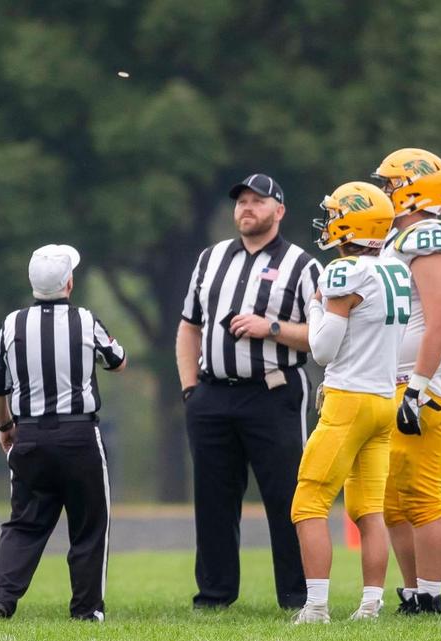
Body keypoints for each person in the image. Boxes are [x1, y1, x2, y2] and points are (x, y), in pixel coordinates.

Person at [176, 173, 322, 610]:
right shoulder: (211, 258)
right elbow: (189, 326)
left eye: (258, 201)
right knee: (213, 500)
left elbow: (322, 335)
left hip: (273, 392)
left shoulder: (303, 265)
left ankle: (297, 595)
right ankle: (214, 595)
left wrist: (271, 328)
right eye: (241, 201)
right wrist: (190, 389)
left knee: (286, 496)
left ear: (279, 211)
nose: (246, 208)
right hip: (212, 395)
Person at [0, 244, 126, 622]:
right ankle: (87, 609)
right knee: (90, 526)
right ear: (69, 282)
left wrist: (5, 427)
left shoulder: (13, 324)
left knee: (24, 523)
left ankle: (0, 598)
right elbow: (118, 361)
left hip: (29, 436)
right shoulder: (85, 319)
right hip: (80, 437)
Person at [290, 181, 411, 624]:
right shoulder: (395, 269)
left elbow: (322, 350)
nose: (328, 223)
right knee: (368, 510)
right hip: (383, 400)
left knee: (308, 503)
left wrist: (315, 305)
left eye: (336, 213)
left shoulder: (343, 272)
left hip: (349, 400)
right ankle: (370, 605)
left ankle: (317, 607)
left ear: (351, 222)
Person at [375, 148, 441, 615]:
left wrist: (417, 386)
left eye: (390, 184)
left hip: (427, 386)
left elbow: (437, 324)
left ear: (415, 189)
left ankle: (431, 595)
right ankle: (413, 592)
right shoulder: (401, 239)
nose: (383, 192)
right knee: (393, 499)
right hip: (394, 381)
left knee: (421, 493)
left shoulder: (430, 237)